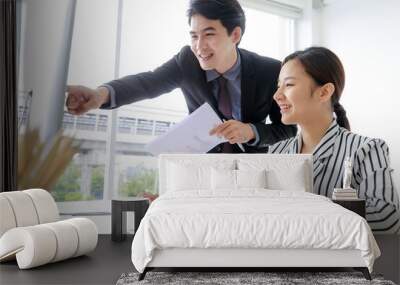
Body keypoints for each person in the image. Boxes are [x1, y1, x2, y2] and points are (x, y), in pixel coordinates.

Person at [66, 0, 297, 154]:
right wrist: (99, 95)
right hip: (201, 170)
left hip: (252, 172)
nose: (199, 46)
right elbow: (147, 83)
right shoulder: (187, 62)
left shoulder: (270, 71)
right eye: (194, 36)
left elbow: (287, 128)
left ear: (235, 34)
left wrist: (251, 131)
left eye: (208, 34)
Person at [268, 46, 400, 234]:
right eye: (278, 85)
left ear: (324, 92)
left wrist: (303, 215)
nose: (277, 95)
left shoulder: (367, 149)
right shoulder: (276, 152)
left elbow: (387, 217)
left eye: (288, 85)